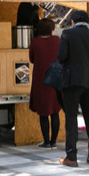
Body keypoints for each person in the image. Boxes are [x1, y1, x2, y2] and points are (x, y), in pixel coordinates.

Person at [58, 10, 89, 167]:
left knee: (71, 119)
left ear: (72, 22)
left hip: (71, 82)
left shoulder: (67, 34)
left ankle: (71, 157)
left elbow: (61, 57)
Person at [29, 18, 61, 149]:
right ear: (51, 29)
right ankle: (54, 141)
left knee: (43, 112)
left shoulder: (35, 42)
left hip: (40, 81)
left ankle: (46, 141)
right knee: (55, 111)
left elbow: (31, 59)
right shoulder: (57, 40)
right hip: (56, 80)